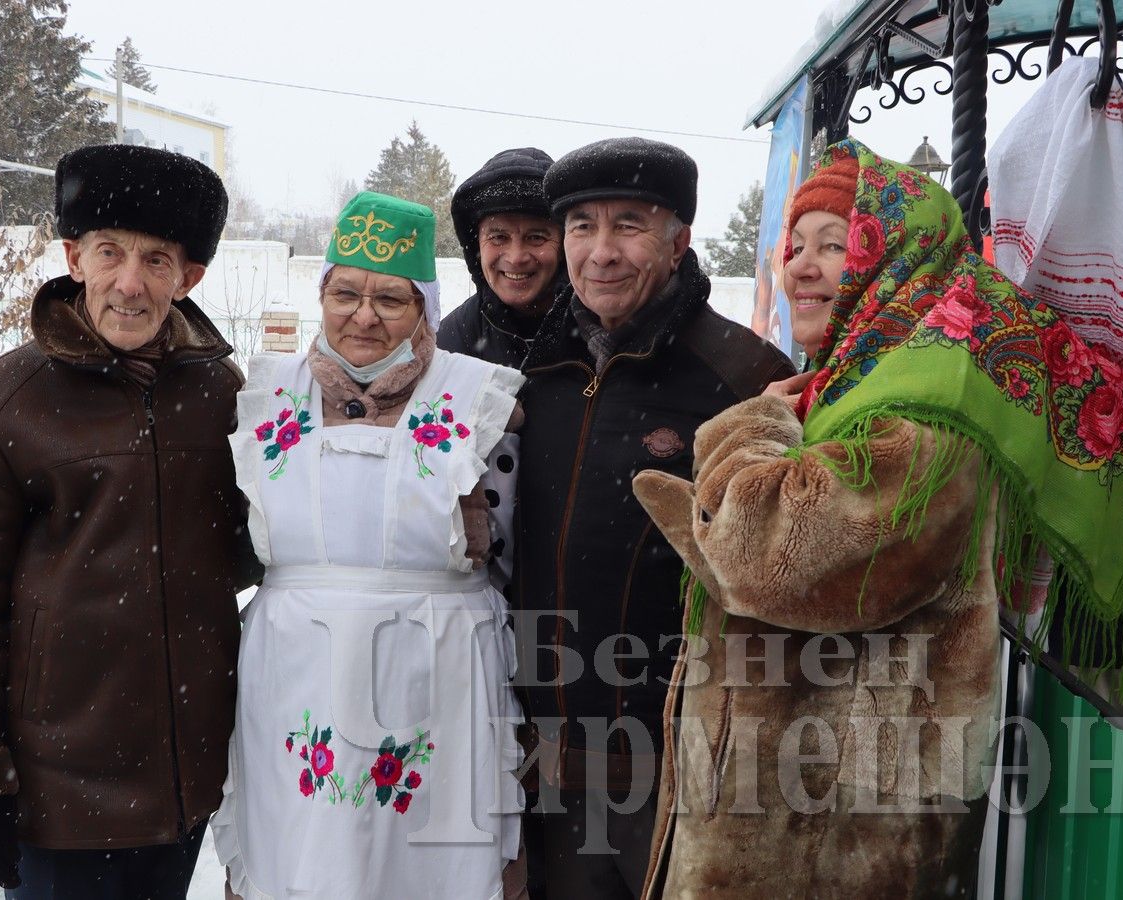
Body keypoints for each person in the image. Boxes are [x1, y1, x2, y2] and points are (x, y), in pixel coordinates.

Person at [632, 139, 1123, 897]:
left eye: (836, 245)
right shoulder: (853, 383)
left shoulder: (922, 413)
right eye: (796, 245)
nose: (801, 266)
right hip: (795, 799)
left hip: (835, 833)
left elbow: (763, 564)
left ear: (899, 260)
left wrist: (743, 429)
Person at [0, 145, 258, 898]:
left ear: (189, 276)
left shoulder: (222, 395)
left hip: (188, 778)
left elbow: (253, 548)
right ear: (74, 257)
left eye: (157, 260)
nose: (129, 284)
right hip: (56, 790)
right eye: (110, 253)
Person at [211, 191, 528, 900]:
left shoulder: (478, 398)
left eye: (390, 298)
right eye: (345, 292)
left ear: (425, 308)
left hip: (434, 672)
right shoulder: (264, 395)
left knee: (426, 859)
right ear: (321, 293)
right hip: (297, 675)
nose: (363, 315)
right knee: (303, 856)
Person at [513, 136, 794, 898]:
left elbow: (776, 572)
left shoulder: (744, 378)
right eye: (581, 227)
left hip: (677, 764)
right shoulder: (526, 372)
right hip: (536, 762)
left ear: (678, 243)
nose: (601, 252)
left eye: (628, 225)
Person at [439, 147, 564, 367]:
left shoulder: (599, 334)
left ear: (564, 245)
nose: (516, 258)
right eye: (498, 237)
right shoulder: (453, 340)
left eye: (536, 237)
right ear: (476, 245)